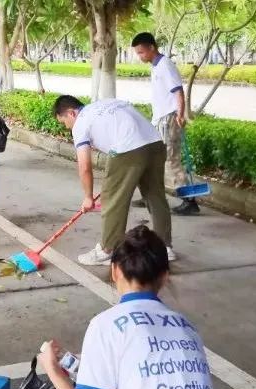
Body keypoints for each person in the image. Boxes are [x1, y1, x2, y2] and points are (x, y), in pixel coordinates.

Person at [37, 225, 217, 389]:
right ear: (164, 277)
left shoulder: (104, 325)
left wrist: (53, 371)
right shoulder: (187, 326)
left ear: (115, 271)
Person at [53, 96, 176, 266]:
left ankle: (107, 250)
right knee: (155, 196)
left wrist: (88, 197)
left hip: (128, 149)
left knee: (112, 199)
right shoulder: (106, 103)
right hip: (155, 144)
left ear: (71, 113)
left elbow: (85, 166)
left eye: (64, 122)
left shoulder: (80, 123)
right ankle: (165, 247)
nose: (66, 127)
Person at [130, 32, 199, 216]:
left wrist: (180, 114)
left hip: (169, 119)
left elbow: (178, 92)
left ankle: (189, 201)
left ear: (152, 47)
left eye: (141, 52)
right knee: (153, 158)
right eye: (138, 53)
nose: (140, 56)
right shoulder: (156, 66)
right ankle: (151, 196)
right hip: (160, 120)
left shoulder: (165, 65)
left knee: (171, 159)